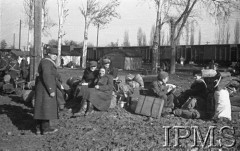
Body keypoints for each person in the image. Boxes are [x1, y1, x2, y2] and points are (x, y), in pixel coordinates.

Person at [34, 47, 61, 135]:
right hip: (45, 89)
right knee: (46, 108)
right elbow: (47, 76)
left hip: (42, 88)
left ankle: (38, 129)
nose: (55, 56)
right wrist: (51, 90)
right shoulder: (47, 62)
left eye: (56, 55)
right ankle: (45, 129)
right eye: (54, 54)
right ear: (49, 54)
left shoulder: (46, 61)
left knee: (41, 108)